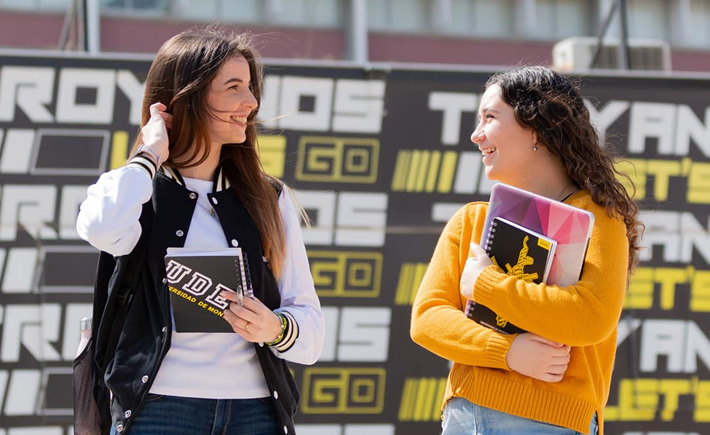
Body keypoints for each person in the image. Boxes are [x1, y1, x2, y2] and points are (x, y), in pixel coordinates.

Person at [76, 28, 324, 435]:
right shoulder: (136, 189)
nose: (251, 102)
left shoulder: (268, 197)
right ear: (187, 97)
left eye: (250, 86)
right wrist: (150, 154)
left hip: (256, 412)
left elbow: (310, 332)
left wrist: (274, 328)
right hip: (159, 409)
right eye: (233, 87)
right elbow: (101, 228)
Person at [410, 66, 642, 435]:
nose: (475, 134)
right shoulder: (470, 220)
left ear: (535, 127)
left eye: (490, 117)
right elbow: (427, 320)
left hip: (551, 424)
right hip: (464, 416)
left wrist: (485, 283)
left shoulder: (596, 217)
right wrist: (507, 351)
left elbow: (591, 317)